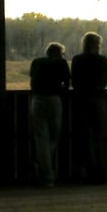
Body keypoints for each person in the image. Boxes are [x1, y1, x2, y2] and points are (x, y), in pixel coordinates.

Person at [30, 42, 70, 187]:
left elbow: (32, 82)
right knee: (54, 135)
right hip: (53, 99)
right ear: (59, 53)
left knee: (41, 138)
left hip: (37, 100)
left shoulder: (36, 62)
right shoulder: (61, 63)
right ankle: (47, 175)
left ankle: (45, 171)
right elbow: (67, 84)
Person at [71, 32, 107, 184]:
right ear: (96, 45)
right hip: (98, 101)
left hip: (81, 102)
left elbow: (74, 82)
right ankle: (99, 175)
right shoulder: (102, 60)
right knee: (98, 138)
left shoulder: (77, 60)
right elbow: (104, 82)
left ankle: (82, 173)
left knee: (83, 138)